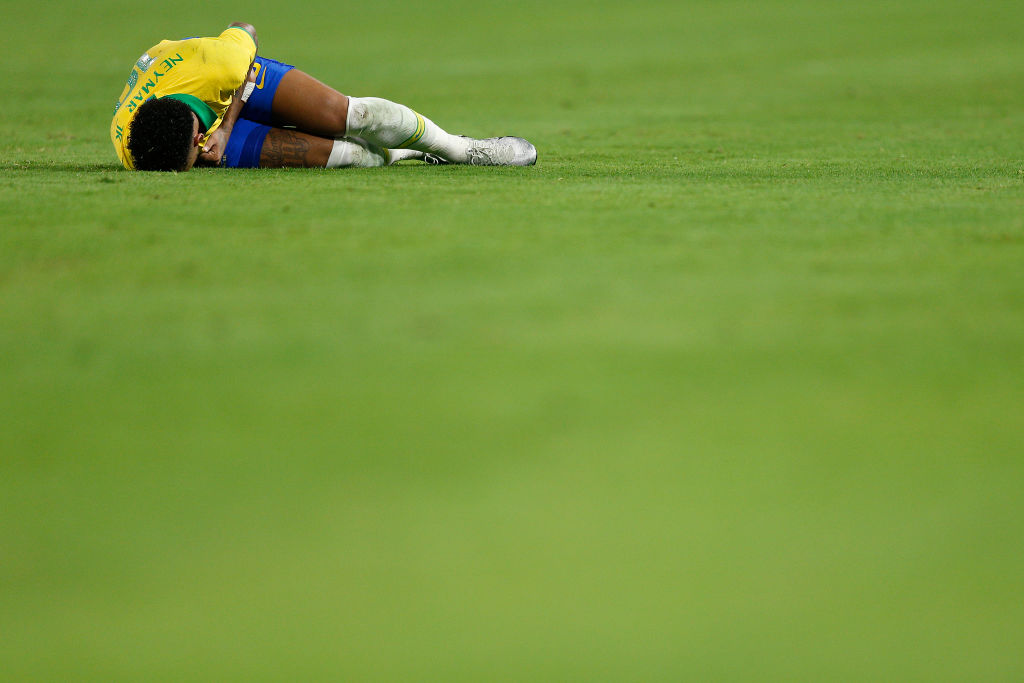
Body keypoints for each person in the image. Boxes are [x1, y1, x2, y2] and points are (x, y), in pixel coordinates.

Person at [110, 23, 537, 171]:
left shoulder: (218, 63)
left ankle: (463, 149)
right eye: (194, 164)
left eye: (197, 149)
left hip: (238, 78)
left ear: (197, 129)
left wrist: (224, 127)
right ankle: (408, 155)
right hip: (198, 109)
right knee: (348, 156)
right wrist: (212, 148)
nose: (204, 156)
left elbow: (247, 27)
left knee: (352, 115)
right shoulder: (138, 149)